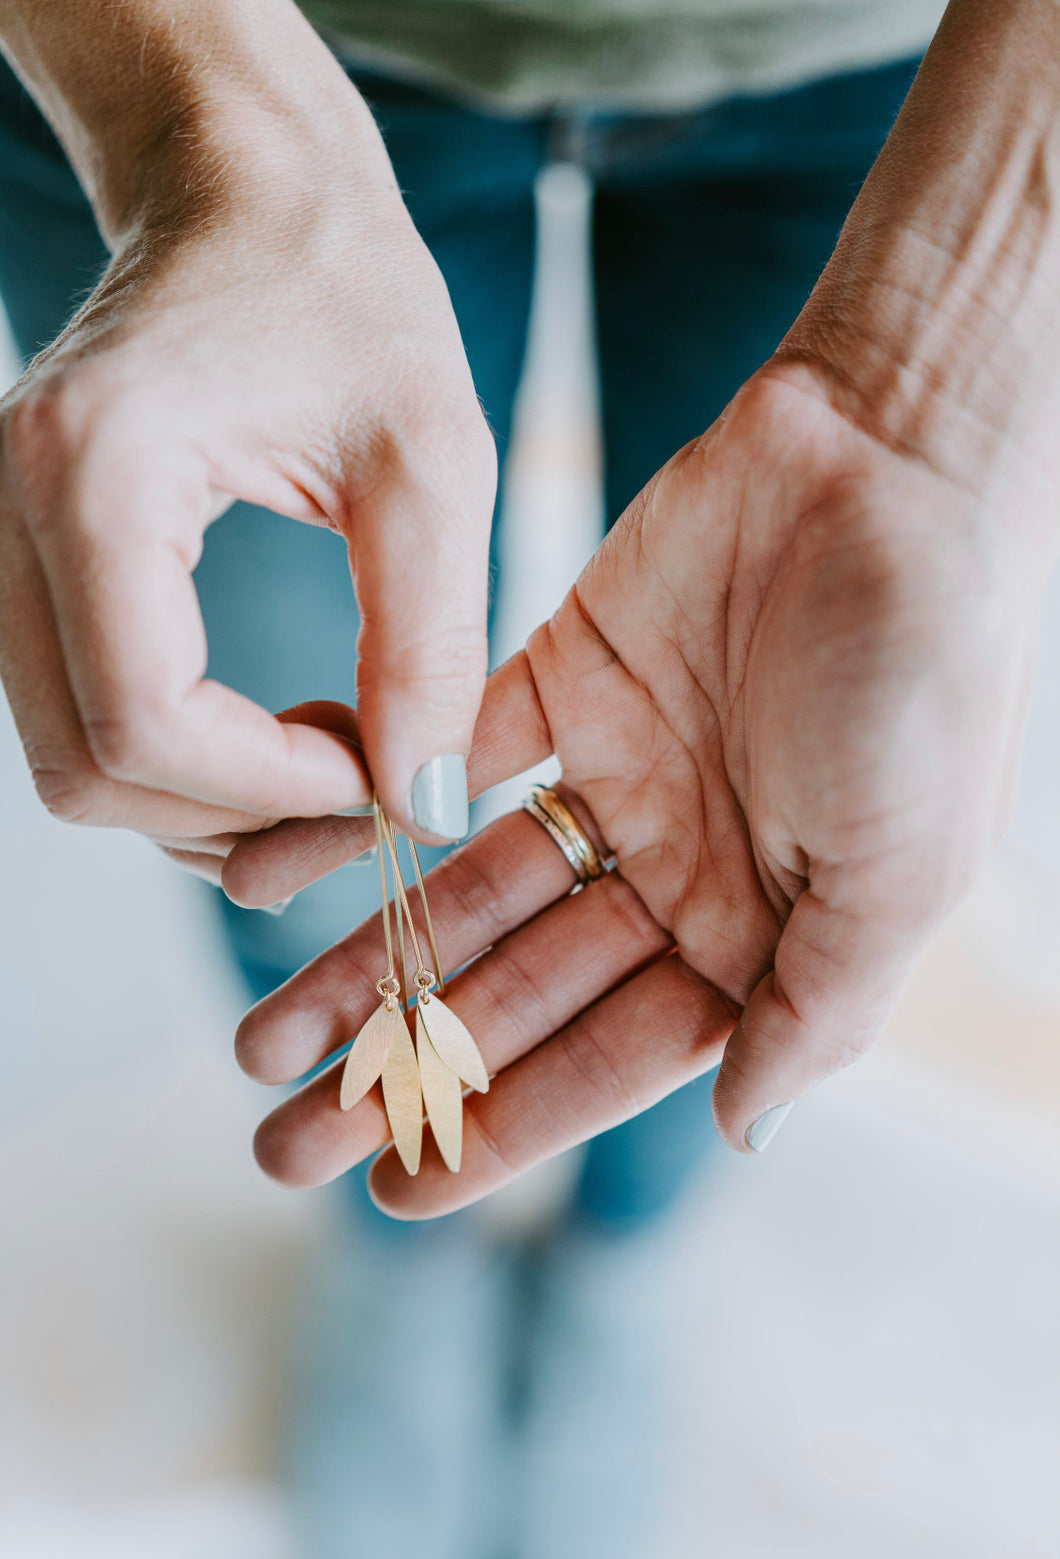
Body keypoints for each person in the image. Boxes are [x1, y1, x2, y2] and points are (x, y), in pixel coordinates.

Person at [2, 0, 1058, 1552]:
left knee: (723, 833)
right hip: (224, 44)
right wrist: (193, 110)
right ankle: (402, 1248)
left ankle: (626, 1241)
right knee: (291, 784)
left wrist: (936, 393)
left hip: (900, 68)